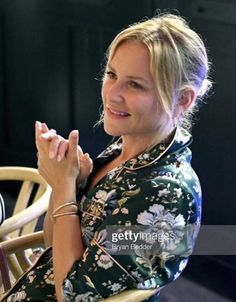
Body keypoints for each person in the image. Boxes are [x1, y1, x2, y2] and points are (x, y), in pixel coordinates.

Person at [1, 12, 211, 302]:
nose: (112, 94)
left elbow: (73, 294)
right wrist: (71, 185)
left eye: (135, 84)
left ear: (183, 99)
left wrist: (62, 187)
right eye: (112, 75)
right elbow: (54, 246)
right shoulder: (122, 150)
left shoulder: (165, 193)